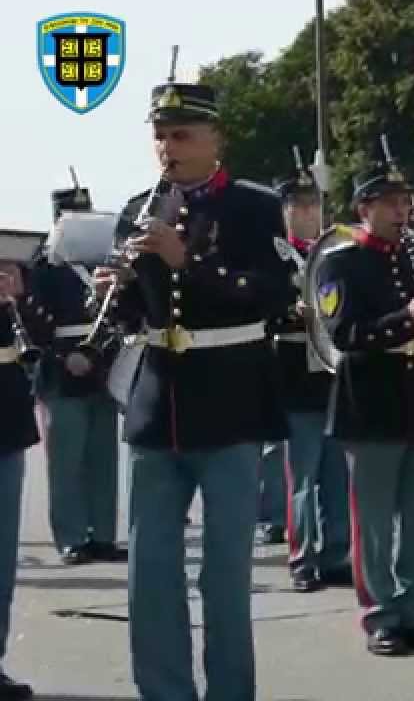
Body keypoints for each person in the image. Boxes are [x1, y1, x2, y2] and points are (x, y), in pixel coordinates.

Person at [91, 78, 292, 700]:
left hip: (230, 399)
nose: (167, 148)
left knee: (224, 575)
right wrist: (113, 294)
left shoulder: (255, 206)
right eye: (159, 135)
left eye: (181, 135)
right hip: (157, 406)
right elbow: (138, 315)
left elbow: (272, 295)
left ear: (215, 140)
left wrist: (188, 263)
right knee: (149, 573)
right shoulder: (138, 206)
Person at [314, 151, 414, 656]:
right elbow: (344, 333)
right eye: (390, 203)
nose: (402, 212)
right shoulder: (341, 262)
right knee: (374, 522)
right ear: (364, 207)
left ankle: (413, 609)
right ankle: (381, 615)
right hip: (372, 400)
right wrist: (405, 315)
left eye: (405, 202)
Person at [29, 185, 126, 565]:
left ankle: (103, 535)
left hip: (101, 363)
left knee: (103, 457)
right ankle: (71, 537)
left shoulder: (102, 262)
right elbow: (35, 321)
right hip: (60, 369)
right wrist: (62, 355)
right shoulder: (45, 264)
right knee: (67, 461)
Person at [269, 166, 352, 593]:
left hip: (333, 374)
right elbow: (261, 304)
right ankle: (303, 555)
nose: (307, 213)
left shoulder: (333, 250)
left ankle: (337, 553)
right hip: (295, 371)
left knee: (338, 473)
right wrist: (290, 310)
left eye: (313, 205)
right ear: (283, 211)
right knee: (302, 474)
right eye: (298, 205)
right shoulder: (274, 255)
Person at [0, 265, 40, 701]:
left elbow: (45, 338)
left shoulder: (14, 267)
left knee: (1, 554)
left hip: (4, 420)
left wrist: (22, 298)